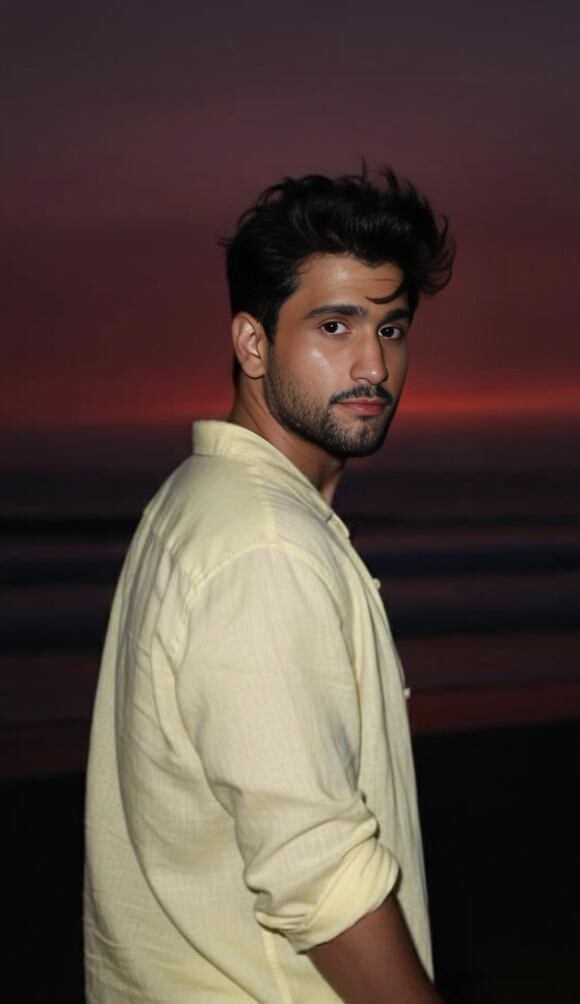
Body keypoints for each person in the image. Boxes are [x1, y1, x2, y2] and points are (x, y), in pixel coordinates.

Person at [84, 166, 455, 1003]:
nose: (373, 364)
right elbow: (318, 875)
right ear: (253, 343)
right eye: (335, 325)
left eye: (392, 329)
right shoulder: (265, 547)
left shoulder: (200, 495)